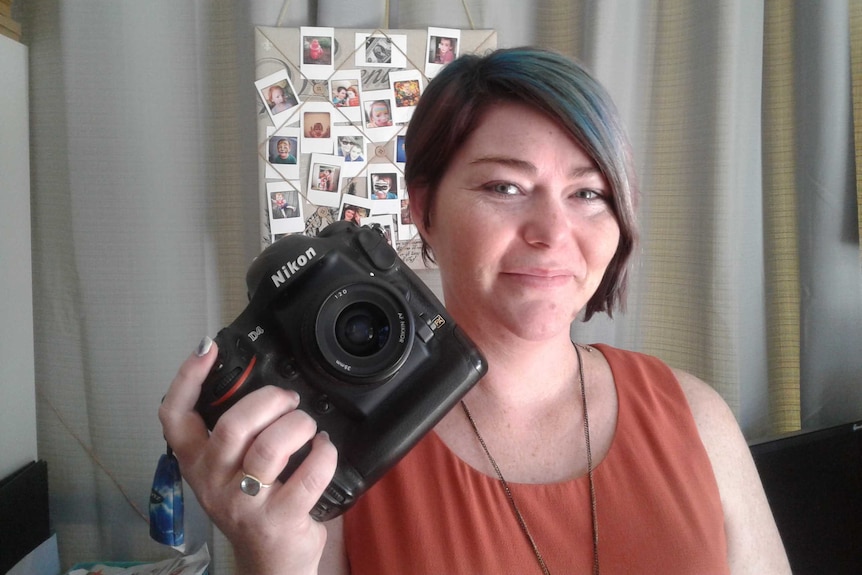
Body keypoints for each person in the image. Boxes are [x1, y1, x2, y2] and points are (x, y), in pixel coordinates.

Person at [160, 47, 791, 574]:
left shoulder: (698, 419)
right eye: (504, 187)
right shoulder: (326, 461)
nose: (552, 231)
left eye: (588, 193)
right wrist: (266, 557)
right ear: (423, 209)